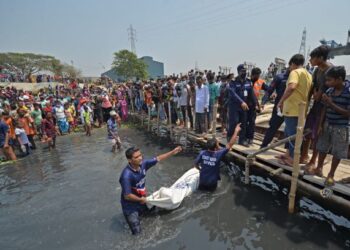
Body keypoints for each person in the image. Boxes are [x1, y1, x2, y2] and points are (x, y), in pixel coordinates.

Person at [119, 145, 182, 235]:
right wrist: (141, 199)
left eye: (140, 155)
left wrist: (172, 152)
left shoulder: (143, 164)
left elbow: (158, 158)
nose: (140, 158)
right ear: (129, 160)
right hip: (130, 206)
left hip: (142, 200)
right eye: (136, 157)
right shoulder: (126, 176)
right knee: (137, 233)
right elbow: (127, 196)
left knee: (153, 212)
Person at [306, 66, 350, 186]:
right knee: (322, 147)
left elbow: (348, 113)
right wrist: (320, 125)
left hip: (341, 127)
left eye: (330, 80)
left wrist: (331, 103)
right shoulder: (330, 91)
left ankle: (331, 174)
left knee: (337, 151)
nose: (327, 83)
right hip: (327, 124)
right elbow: (324, 110)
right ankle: (319, 168)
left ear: (339, 79)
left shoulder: (348, 91)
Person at [277, 54, 313, 166]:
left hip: (292, 109)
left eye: (290, 65)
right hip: (301, 110)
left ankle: (293, 159)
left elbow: (292, 87)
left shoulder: (295, 72)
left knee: (293, 135)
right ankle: (288, 154)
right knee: (291, 133)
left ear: (293, 63)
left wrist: (281, 101)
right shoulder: (308, 75)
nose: (289, 68)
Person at [300, 45, 332, 167]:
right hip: (316, 106)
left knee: (317, 134)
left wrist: (315, 94)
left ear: (320, 58)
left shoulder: (329, 71)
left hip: (325, 108)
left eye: (312, 58)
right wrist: (307, 103)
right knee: (307, 131)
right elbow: (312, 89)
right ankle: (304, 155)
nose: (310, 60)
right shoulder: (317, 70)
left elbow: (318, 95)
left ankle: (313, 161)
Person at [195, 123, 241, 191]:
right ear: (216, 148)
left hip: (202, 181)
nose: (219, 143)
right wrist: (236, 131)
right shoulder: (218, 154)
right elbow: (230, 144)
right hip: (212, 183)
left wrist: (200, 169)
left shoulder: (202, 153)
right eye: (218, 143)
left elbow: (196, 164)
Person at [227, 64, 256, 146]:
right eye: (243, 71)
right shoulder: (233, 82)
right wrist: (241, 102)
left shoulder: (248, 81)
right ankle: (230, 136)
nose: (244, 72)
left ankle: (242, 140)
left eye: (245, 71)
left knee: (244, 122)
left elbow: (251, 94)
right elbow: (233, 93)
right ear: (238, 72)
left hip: (244, 106)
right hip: (234, 106)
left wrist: (256, 104)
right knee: (234, 122)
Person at [260, 68, 290, 148]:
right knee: (273, 127)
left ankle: (287, 152)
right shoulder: (279, 77)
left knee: (290, 130)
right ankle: (263, 146)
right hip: (279, 108)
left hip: (291, 108)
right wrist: (263, 101)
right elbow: (269, 90)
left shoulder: (297, 77)